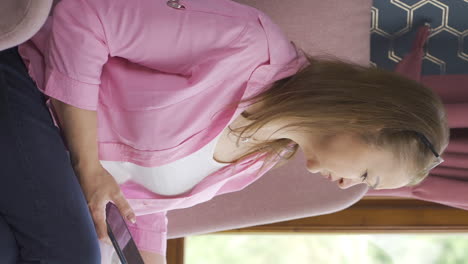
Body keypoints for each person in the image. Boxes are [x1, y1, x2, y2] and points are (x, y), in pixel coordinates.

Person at [0, 0, 449, 263]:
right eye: (368, 175)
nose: (353, 187)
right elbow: (86, 18)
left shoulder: (261, 158)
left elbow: (143, 201)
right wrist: (87, 163)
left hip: (46, 174)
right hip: (27, 90)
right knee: (72, 254)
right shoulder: (247, 45)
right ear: (363, 121)